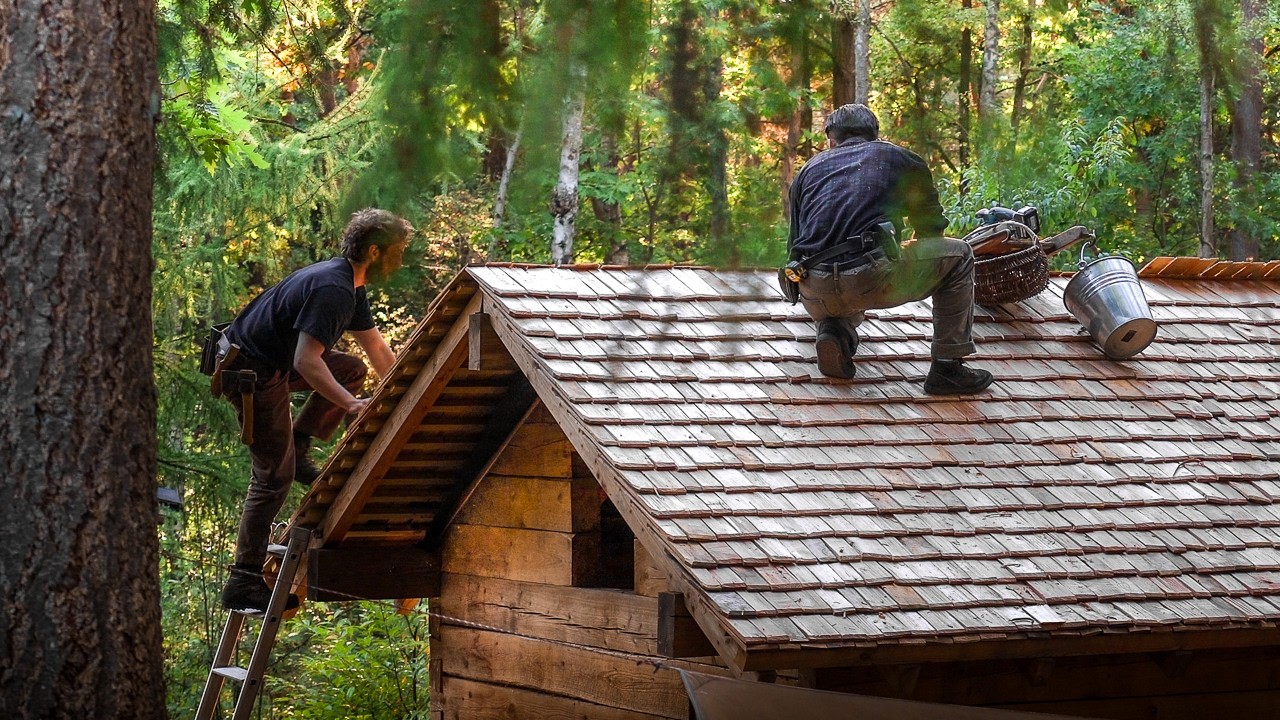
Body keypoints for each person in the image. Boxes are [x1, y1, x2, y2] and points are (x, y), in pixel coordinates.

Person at [217, 208, 413, 612]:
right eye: (398, 252)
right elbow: (307, 361)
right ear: (375, 252)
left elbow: (374, 347)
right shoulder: (334, 290)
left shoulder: (350, 284)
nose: (402, 261)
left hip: (272, 362)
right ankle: (243, 580)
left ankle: (301, 444)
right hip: (251, 371)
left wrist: (404, 391)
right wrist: (351, 403)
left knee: (351, 368)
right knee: (273, 476)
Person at [785, 103, 994, 395]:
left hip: (811, 288)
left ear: (831, 140)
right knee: (959, 256)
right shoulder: (899, 158)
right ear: (875, 135)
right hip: (867, 278)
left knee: (842, 279)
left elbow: (794, 243)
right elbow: (930, 229)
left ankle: (834, 331)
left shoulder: (807, 171)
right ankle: (947, 367)